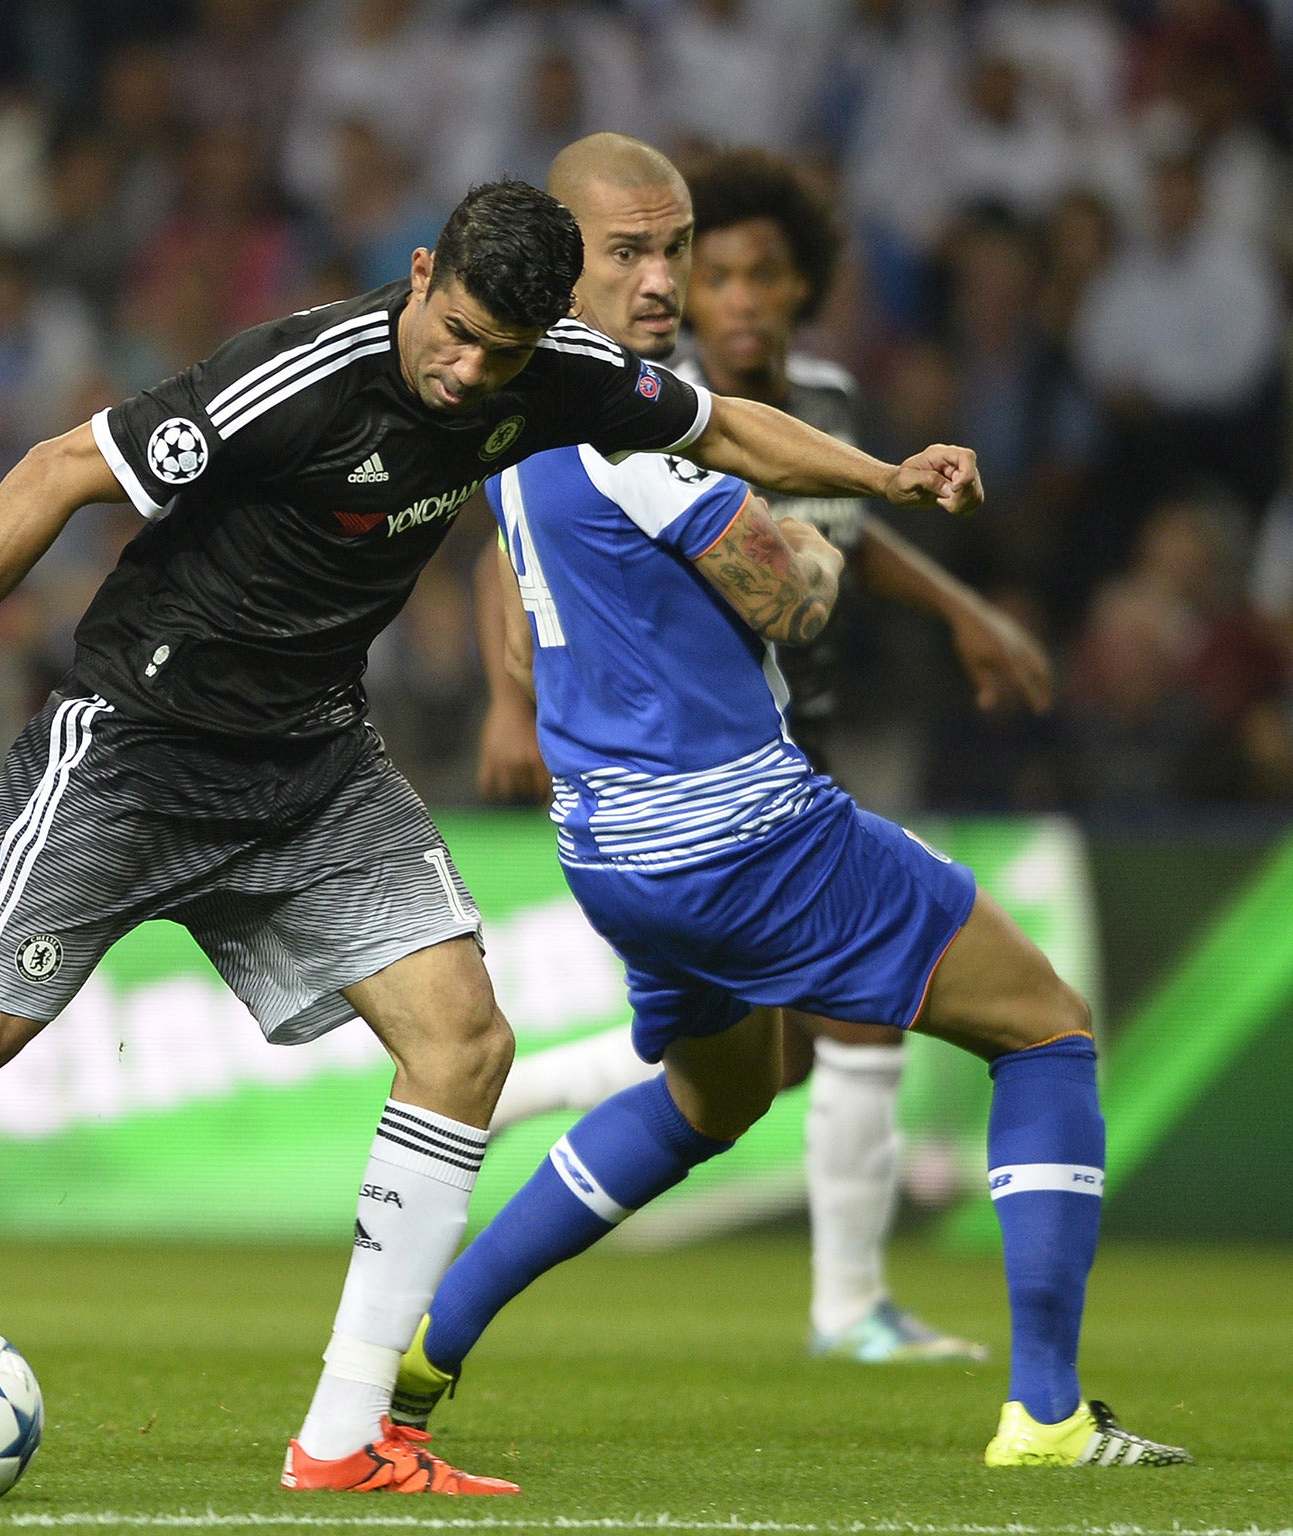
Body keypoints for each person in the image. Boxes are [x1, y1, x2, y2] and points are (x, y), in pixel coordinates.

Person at [0, 173, 984, 1495]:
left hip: (313, 766)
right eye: (451, 333)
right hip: (136, 748)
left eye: (498, 356)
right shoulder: (296, 378)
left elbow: (733, 433)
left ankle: (343, 1438)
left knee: (464, 1043)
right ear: (418, 278)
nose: (466, 377)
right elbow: (60, 472)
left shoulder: (563, 375)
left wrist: (889, 472)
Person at [388, 134, 1187, 1473]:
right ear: (564, 258)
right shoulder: (632, 420)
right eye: (627, 252)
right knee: (1047, 1033)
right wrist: (805, 529)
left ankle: (431, 1340)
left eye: (677, 249)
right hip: (743, 834)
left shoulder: (518, 410)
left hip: (611, 854)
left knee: (716, 1096)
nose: (663, 281)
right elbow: (795, 593)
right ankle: (1046, 1413)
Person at [477, 147, 1054, 1363]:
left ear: (800, 290)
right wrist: (506, 695)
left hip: (784, 734)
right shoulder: (634, 398)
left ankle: (521, 1182)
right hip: (717, 773)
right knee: (957, 1026)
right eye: (694, 265)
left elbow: (848, 524)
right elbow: (778, 576)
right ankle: (868, 1315)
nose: (719, 295)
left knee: (754, 1074)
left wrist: (964, 610)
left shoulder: (827, 404)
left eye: (745, 272)